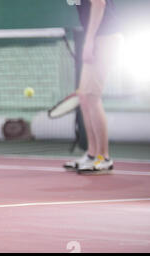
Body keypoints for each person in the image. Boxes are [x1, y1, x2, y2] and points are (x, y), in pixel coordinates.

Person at [64, 0, 122, 174]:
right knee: (83, 97)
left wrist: (89, 41)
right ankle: (92, 154)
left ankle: (103, 158)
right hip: (98, 37)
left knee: (92, 97)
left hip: (105, 37)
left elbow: (99, 4)